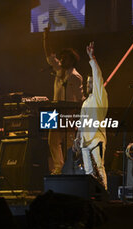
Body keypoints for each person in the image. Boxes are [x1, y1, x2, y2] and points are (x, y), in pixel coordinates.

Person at [43, 24, 84, 175]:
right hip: (54, 111)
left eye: (65, 58)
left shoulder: (76, 76)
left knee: (68, 142)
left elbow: (79, 98)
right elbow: (49, 55)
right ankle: (58, 167)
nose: (61, 60)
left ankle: (69, 168)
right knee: (52, 141)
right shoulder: (59, 70)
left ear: (72, 60)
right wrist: (46, 37)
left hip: (69, 112)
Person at [73, 42, 108, 189]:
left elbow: (98, 76)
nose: (88, 85)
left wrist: (92, 58)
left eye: (91, 82)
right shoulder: (86, 102)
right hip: (85, 142)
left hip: (96, 139)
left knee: (99, 168)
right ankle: (91, 196)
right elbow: (81, 122)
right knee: (88, 172)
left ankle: (104, 192)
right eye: (87, 83)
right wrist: (77, 138)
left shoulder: (100, 97)